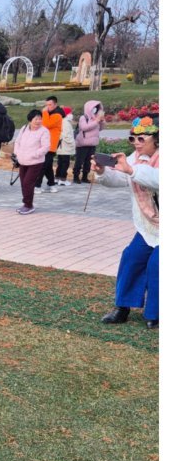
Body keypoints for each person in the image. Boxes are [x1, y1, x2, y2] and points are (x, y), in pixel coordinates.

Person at [97, 118, 157, 329]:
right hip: (149, 226)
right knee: (131, 258)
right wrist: (102, 172)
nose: (136, 143)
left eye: (142, 138)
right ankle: (122, 307)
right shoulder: (136, 158)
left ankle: (155, 313)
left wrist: (131, 170)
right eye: (133, 138)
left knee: (157, 264)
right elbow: (121, 178)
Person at [12, 108, 50, 215]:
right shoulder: (24, 128)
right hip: (22, 161)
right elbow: (17, 142)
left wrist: (34, 155)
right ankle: (26, 204)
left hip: (35, 162)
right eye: (36, 119)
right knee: (23, 183)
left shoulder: (44, 131)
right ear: (30, 120)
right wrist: (17, 154)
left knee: (28, 183)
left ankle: (28, 205)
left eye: (40, 119)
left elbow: (46, 147)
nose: (38, 121)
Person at [73, 99, 105, 184]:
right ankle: (76, 177)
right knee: (79, 161)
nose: (96, 110)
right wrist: (96, 121)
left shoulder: (96, 118)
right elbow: (84, 127)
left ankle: (85, 177)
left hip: (92, 144)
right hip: (83, 144)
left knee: (88, 162)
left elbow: (100, 129)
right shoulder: (84, 118)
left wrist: (102, 122)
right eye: (94, 108)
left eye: (97, 108)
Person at [40, 97, 65, 189]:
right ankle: (51, 183)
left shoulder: (57, 115)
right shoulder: (50, 113)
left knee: (43, 165)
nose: (47, 107)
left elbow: (46, 125)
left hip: (51, 144)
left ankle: (37, 185)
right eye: (47, 105)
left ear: (55, 105)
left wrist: (44, 112)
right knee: (47, 166)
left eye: (50, 105)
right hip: (46, 143)